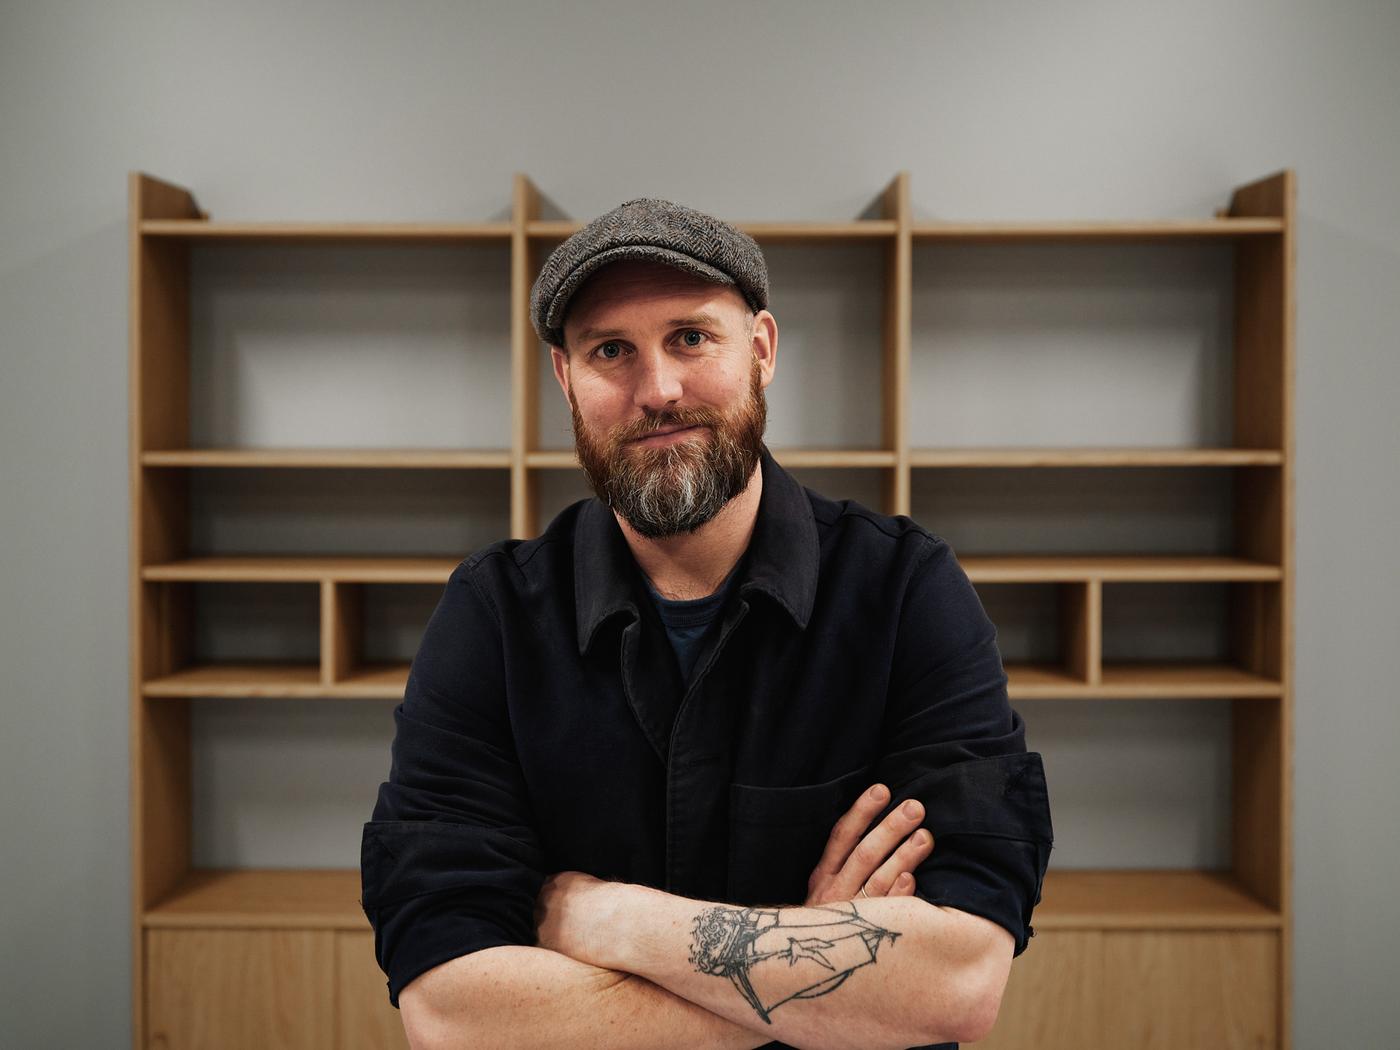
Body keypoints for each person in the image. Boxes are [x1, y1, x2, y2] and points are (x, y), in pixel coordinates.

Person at [360, 198, 1054, 1050]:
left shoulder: (906, 592)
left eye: (691, 337)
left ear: (761, 350)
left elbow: (957, 981)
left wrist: (606, 918)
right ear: (565, 376)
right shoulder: (493, 615)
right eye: (611, 350)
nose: (659, 390)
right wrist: (810, 966)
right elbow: (450, 1010)